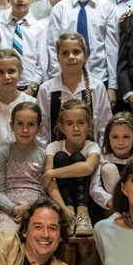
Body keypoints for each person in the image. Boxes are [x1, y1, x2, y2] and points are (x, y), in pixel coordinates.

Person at [46, 0, 119, 107]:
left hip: (100, 77)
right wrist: (56, 81)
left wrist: (112, 85)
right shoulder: (60, 9)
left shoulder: (106, 7)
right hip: (67, 80)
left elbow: (112, 48)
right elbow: (53, 48)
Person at [36, 33, 112, 148]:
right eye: (65, 53)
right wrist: (48, 155)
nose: (71, 57)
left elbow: (105, 127)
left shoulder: (97, 87)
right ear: (58, 58)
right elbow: (41, 130)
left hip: (91, 155)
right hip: (55, 155)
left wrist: (99, 155)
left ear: (85, 56)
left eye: (76, 52)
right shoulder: (46, 89)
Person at [43, 99, 102, 234]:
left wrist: (52, 173)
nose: (76, 128)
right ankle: (68, 215)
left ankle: (82, 213)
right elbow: (49, 183)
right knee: (60, 157)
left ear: (89, 125)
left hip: (88, 202)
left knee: (77, 157)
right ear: (61, 127)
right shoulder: (54, 146)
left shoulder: (92, 146)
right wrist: (63, 208)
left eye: (81, 123)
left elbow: (87, 168)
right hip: (60, 202)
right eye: (69, 124)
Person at [0, 102, 47, 232]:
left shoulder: (44, 155)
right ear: (12, 126)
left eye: (31, 125)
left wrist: (31, 210)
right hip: (7, 209)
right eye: (20, 124)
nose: (25, 130)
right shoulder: (2, 153)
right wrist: (14, 209)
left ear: (39, 128)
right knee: (7, 236)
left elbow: (45, 191)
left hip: (36, 209)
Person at [0, 0, 46, 96]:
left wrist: (32, 88)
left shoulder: (38, 29)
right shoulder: (0, 28)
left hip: (30, 86)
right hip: (4, 86)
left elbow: (42, 64)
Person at [0, 50, 36, 147]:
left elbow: (38, 142)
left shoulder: (33, 104)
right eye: (0, 72)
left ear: (20, 73)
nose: (6, 77)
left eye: (11, 71)